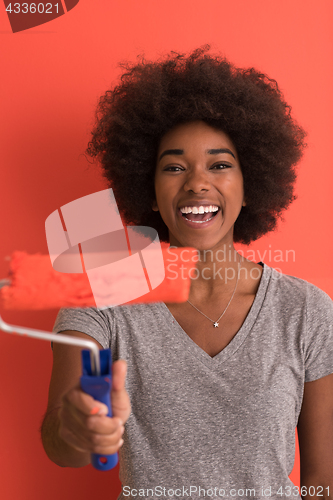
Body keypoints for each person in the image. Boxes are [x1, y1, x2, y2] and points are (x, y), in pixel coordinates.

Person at [40, 47, 333, 500]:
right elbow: (61, 445)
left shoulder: (306, 310)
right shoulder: (98, 298)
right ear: (150, 193)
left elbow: (323, 481)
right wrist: (80, 427)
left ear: (249, 184)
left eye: (219, 165)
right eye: (174, 167)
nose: (197, 183)